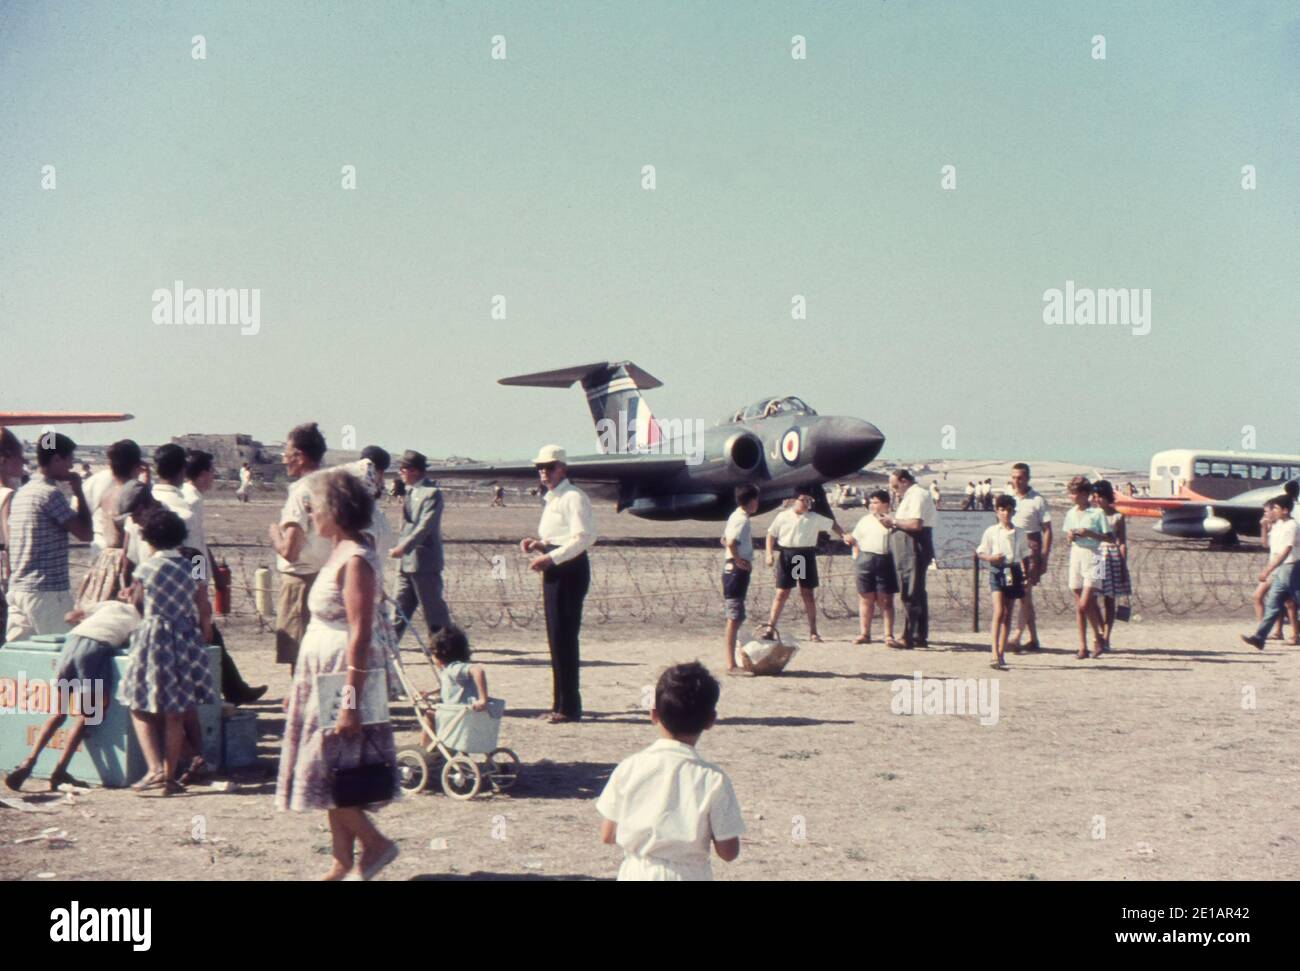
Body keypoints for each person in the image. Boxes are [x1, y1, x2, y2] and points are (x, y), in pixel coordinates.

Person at [275, 470, 399, 881]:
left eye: (316, 506)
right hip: (319, 675)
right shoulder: (338, 551)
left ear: (337, 510)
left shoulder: (356, 559)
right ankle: (342, 860)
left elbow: (361, 633)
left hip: (340, 680)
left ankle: (377, 845)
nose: (310, 514)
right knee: (334, 769)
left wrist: (349, 703)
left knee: (328, 772)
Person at [596, 662, 744, 881]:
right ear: (711, 720)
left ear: (653, 713)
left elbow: (608, 835)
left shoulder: (630, 766)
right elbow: (728, 852)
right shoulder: (713, 779)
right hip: (689, 874)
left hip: (637, 872)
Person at [116, 508, 219, 795]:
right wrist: (204, 629)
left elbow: (137, 603)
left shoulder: (146, 568)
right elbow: (202, 601)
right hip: (185, 638)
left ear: (148, 538)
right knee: (176, 711)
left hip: (154, 639)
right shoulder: (192, 565)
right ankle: (171, 774)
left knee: (139, 704)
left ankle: (155, 770)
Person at [4, 598, 141, 792]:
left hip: (70, 645)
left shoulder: (109, 604)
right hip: (94, 650)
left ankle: (29, 760)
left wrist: (78, 618)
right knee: (88, 715)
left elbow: (73, 615)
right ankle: (60, 770)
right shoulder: (138, 619)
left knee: (59, 713)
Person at [518, 445, 595, 724]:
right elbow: (561, 535)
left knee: (564, 637)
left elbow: (584, 537)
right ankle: (559, 703)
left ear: (562, 467)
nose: (543, 472)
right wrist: (540, 545)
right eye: (540, 467)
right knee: (556, 638)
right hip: (556, 565)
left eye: (549, 467)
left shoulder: (573, 497)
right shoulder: (553, 498)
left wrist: (551, 557)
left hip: (569, 569)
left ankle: (570, 707)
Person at [184, 448, 266, 705]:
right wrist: (201, 584)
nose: (213, 478)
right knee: (208, 635)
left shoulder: (186, 497)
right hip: (189, 580)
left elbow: (199, 544)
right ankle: (233, 690)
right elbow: (193, 550)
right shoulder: (193, 501)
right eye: (211, 472)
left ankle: (234, 689)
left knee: (210, 637)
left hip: (185, 575)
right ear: (202, 474)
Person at [4, 433, 93, 643]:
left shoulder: (22, 492)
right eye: (69, 461)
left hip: (19, 588)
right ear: (56, 460)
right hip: (47, 592)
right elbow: (85, 533)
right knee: (62, 654)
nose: (70, 467)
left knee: (18, 660)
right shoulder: (50, 494)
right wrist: (79, 493)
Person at [269, 422, 330, 675]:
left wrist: (273, 531)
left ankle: (302, 705)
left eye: (287, 454)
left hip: (300, 580)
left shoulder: (300, 493)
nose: (284, 460)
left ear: (300, 456)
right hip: (324, 576)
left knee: (298, 651)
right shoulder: (328, 485)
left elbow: (290, 551)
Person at [72, 439, 141, 614]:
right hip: (125, 558)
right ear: (136, 465)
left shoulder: (107, 491)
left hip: (105, 558)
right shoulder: (135, 492)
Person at [390, 450, 451, 643]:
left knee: (433, 612)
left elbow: (425, 526)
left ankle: (446, 650)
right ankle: (387, 648)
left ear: (415, 471)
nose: (400, 472)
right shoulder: (410, 492)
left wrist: (404, 547)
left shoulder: (431, 494)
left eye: (403, 469)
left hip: (423, 564)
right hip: (405, 564)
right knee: (398, 610)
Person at [764, 494, 843, 642]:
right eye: (803, 500)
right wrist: (769, 554)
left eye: (809, 501)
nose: (806, 503)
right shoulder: (783, 516)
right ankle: (770, 629)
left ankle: (813, 631)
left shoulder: (813, 517)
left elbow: (832, 524)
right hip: (788, 554)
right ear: (794, 500)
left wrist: (844, 535)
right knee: (781, 593)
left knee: (807, 593)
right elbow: (771, 535)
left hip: (804, 556)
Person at [976, 494, 1031, 669]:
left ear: (1013, 511)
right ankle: (993, 652)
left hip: (1012, 570)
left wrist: (1026, 576)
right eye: (1002, 510)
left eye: (1008, 510)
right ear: (996, 511)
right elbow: (981, 552)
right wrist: (991, 558)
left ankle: (1001, 652)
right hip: (997, 570)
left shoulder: (1020, 533)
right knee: (998, 611)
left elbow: (1025, 555)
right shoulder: (991, 531)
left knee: (1008, 612)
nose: (1005, 513)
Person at [885, 469, 937, 649]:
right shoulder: (911, 496)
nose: (894, 490)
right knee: (916, 591)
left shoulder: (916, 495)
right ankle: (918, 635)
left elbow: (915, 523)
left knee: (910, 590)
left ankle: (908, 635)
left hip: (913, 545)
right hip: (908, 545)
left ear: (904, 481)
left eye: (895, 485)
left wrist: (893, 521)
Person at [1242, 496, 1300, 650]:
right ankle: (1260, 638)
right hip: (1281, 569)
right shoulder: (1278, 525)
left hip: (1292, 567)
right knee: (1273, 603)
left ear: (1285, 510)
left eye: (1275, 508)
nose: (1272, 511)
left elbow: (1286, 551)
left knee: (1295, 600)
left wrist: (1268, 569)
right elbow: (1268, 546)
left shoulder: (1291, 526)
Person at [1063, 477, 1111, 659]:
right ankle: (1084, 645)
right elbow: (1068, 534)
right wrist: (1071, 536)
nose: (1071, 497)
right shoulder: (1071, 513)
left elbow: (1110, 538)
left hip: (1096, 556)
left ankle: (1097, 637)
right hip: (1076, 555)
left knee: (1083, 604)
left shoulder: (1097, 514)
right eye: (1070, 493)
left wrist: (1090, 533)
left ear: (1085, 494)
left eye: (1074, 493)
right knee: (1082, 604)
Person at [1008, 462, 1053, 652]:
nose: (1016, 481)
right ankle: (1034, 638)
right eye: (1014, 477)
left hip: (1030, 546)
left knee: (1025, 592)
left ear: (1027, 478)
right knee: (1020, 595)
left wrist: (1044, 556)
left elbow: (1047, 530)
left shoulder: (1038, 500)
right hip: (1010, 547)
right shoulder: (1008, 498)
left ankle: (1017, 636)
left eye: (1020, 478)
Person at [847, 490, 900, 647]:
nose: (872, 506)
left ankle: (888, 635)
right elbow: (856, 539)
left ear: (886, 504)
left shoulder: (892, 520)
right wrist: (855, 552)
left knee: (886, 600)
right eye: (871, 502)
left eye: (876, 502)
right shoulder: (864, 520)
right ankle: (865, 633)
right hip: (865, 559)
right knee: (866, 598)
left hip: (885, 560)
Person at [721, 484, 760, 673]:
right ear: (752, 501)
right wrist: (739, 559)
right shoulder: (741, 519)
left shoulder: (736, 516)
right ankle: (731, 664)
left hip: (735, 568)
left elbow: (724, 539)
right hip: (735, 570)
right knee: (734, 617)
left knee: (737, 615)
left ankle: (735, 659)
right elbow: (729, 542)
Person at [1092, 480, 1129, 650]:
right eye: (1095, 496)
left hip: (1113, 557)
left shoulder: (1117, 516)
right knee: (1092, 597)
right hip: (1097, 557)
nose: (1097, 500)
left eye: (1100, 496)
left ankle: (1106, 637)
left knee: (1109, 599)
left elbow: (1122, 542)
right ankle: (1100, 631)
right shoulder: (1092, 515)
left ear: (1108, 497)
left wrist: (1123, 563)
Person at [1, 427, 28, 644]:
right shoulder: (9, 495)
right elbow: (11, 542)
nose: (24, 461)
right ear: (4, 459)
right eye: (20, 457)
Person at [431, 625, 488, 709]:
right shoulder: (448, 671)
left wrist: (482, 699)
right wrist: (429, 693)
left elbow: (478, 670)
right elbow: (451, 687)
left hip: (463, 712)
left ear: (439, 653)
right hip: (457, 711)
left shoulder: (454, 668)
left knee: (429, 715)